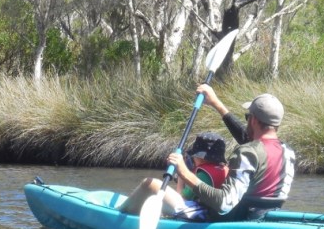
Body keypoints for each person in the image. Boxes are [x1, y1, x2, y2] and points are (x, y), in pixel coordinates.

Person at [167, 87, 296, 221]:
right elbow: (252, 143)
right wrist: (216, 103)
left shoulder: (248, 153)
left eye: (248, 117)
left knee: (149, 185)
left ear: (253, 120)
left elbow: (224, 204)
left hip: (238, 220)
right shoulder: (288, 152)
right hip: (268, 217)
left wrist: (184, 173)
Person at [118, 132, 229, 220]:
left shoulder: (203, 174)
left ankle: (120, 210)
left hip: (199, 215)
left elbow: (182, 197)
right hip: (209, 212)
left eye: (194, 156)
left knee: (149, 183)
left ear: (200, 157)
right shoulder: (225, 169)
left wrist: (181, 175)